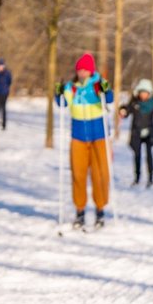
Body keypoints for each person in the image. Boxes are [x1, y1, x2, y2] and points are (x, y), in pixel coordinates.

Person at [56, 53, 114, 229]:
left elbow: (109, 98)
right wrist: (57, 92)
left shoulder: (97, 85)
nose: (82, 73)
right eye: (80, 69)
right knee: (78, 174)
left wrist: (106, 89)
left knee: (100, 174)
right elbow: (62, 104)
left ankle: (100, 210)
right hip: (78, 136)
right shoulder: (71, 87)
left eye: (85, 70)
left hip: (99, 135)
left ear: (91, 71)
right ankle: (80, 212)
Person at [118, 79, 153, 188]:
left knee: (149, 155)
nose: (143, 95)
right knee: (137, 155)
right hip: (136, 133)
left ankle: (150, 178)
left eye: (145, 92)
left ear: (149, 93)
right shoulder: (134, 103)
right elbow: (126, 110)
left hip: (149, 133)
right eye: (141, 92)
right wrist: (123, 110)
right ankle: (137, 177)